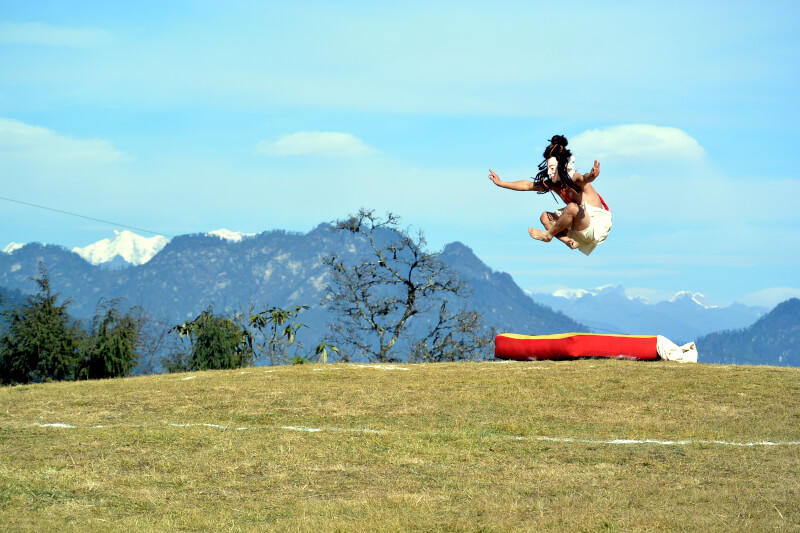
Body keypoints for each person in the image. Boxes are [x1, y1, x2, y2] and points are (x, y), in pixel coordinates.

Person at [487, 135, 612, 256]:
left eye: (552, 168)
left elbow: (584, 178)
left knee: (572, 207)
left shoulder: (574, 179)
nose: (549, 173)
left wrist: (592, 176)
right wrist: (501, 183)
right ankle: (569, 242)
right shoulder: (554, 184)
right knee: (545, 217)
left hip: (595, 226)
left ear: (562, 167)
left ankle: (548, 235)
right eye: (548, 168)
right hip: (578, 227)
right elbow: (527, 185)